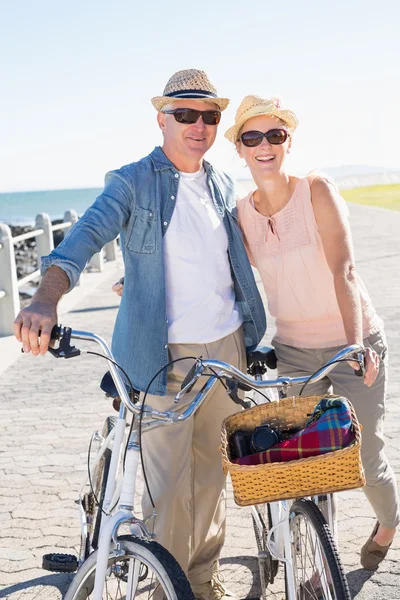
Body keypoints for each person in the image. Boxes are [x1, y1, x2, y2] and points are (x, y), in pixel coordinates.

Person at [13, 70, 266, 600]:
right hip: (159, 354)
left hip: (226, 347)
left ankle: (202, 582)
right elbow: (82, 240)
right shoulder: (132, 181)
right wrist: (44, 300)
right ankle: (167, 590)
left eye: (208, 115)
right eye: (185, 114)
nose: (198, 125)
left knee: (215, 477)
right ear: (162, 119)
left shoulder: (222, 182)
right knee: (169, 488)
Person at [224, 94, 399, 570]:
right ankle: (321, 545)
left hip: (352, 341)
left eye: (274, 135)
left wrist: (356, 344)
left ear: (288, 142)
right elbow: (221, 271)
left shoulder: (317, 189)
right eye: (252, 137)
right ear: (239, 149)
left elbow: (343, 269)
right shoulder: (241, 213)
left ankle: (388, 523)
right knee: (305, 460)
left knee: (364, 456)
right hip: (295, 351)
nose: (264, 146)